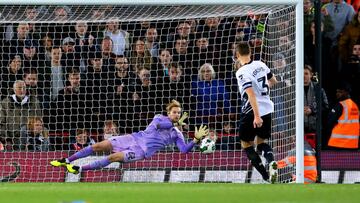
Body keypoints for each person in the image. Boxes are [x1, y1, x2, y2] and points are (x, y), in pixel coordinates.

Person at [50, 100, 209, 174]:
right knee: (98, 146)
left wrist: (195, 140)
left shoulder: (177, 133)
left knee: (113, 157)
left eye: (179, 113)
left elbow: (183, 150)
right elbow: (160, 127)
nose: (176, 115)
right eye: (174, 112)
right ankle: (68, 160)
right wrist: (176, 123)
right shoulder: (159, 118)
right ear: (169, 113)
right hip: (133, 138)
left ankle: (78, 169)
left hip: (141, 152)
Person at [235, 42, 278, 183]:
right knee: (261, 143)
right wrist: (263, 93)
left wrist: (256, 116)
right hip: (267, 108)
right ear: (250, 52)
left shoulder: (241, 72)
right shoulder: (261, 64)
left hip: (252, 111)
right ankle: (271, 161)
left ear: (237, 55)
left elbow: (251, 94)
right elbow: (273, 81)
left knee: (245, 143)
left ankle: (266, 176)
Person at [327, 82, 359, 149]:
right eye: (337, 92)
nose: (337, 94)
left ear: (346, 93)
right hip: (352, 143)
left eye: (340, 92)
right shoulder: (355, 106)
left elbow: (330, 122)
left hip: (338, 143)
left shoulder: (340, 105)